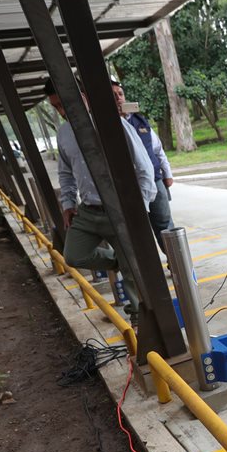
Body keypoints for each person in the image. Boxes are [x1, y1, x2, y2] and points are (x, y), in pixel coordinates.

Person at [46, 78, 155, 309]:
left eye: (63, 104)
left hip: (121, 209)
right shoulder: (64, 133)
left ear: (83, 97)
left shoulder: (113, 124)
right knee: (73, 255)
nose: (62, 111)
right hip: (88, 210)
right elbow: (65, 172)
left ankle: (139, 319)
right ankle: (119, 261)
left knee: (133, 275)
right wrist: (68, 204)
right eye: (55, 107)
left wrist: (141, 206)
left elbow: (144, 167)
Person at [111, 79, 175, 250]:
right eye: (113, 95)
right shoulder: (106, 126)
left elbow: (158, 149)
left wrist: (167, 173)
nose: (118, 98)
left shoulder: (140, 121)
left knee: (165, 223)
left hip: (154, 179)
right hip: (126, 187)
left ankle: (176, 264)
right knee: (137, 230)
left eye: (120, 94)